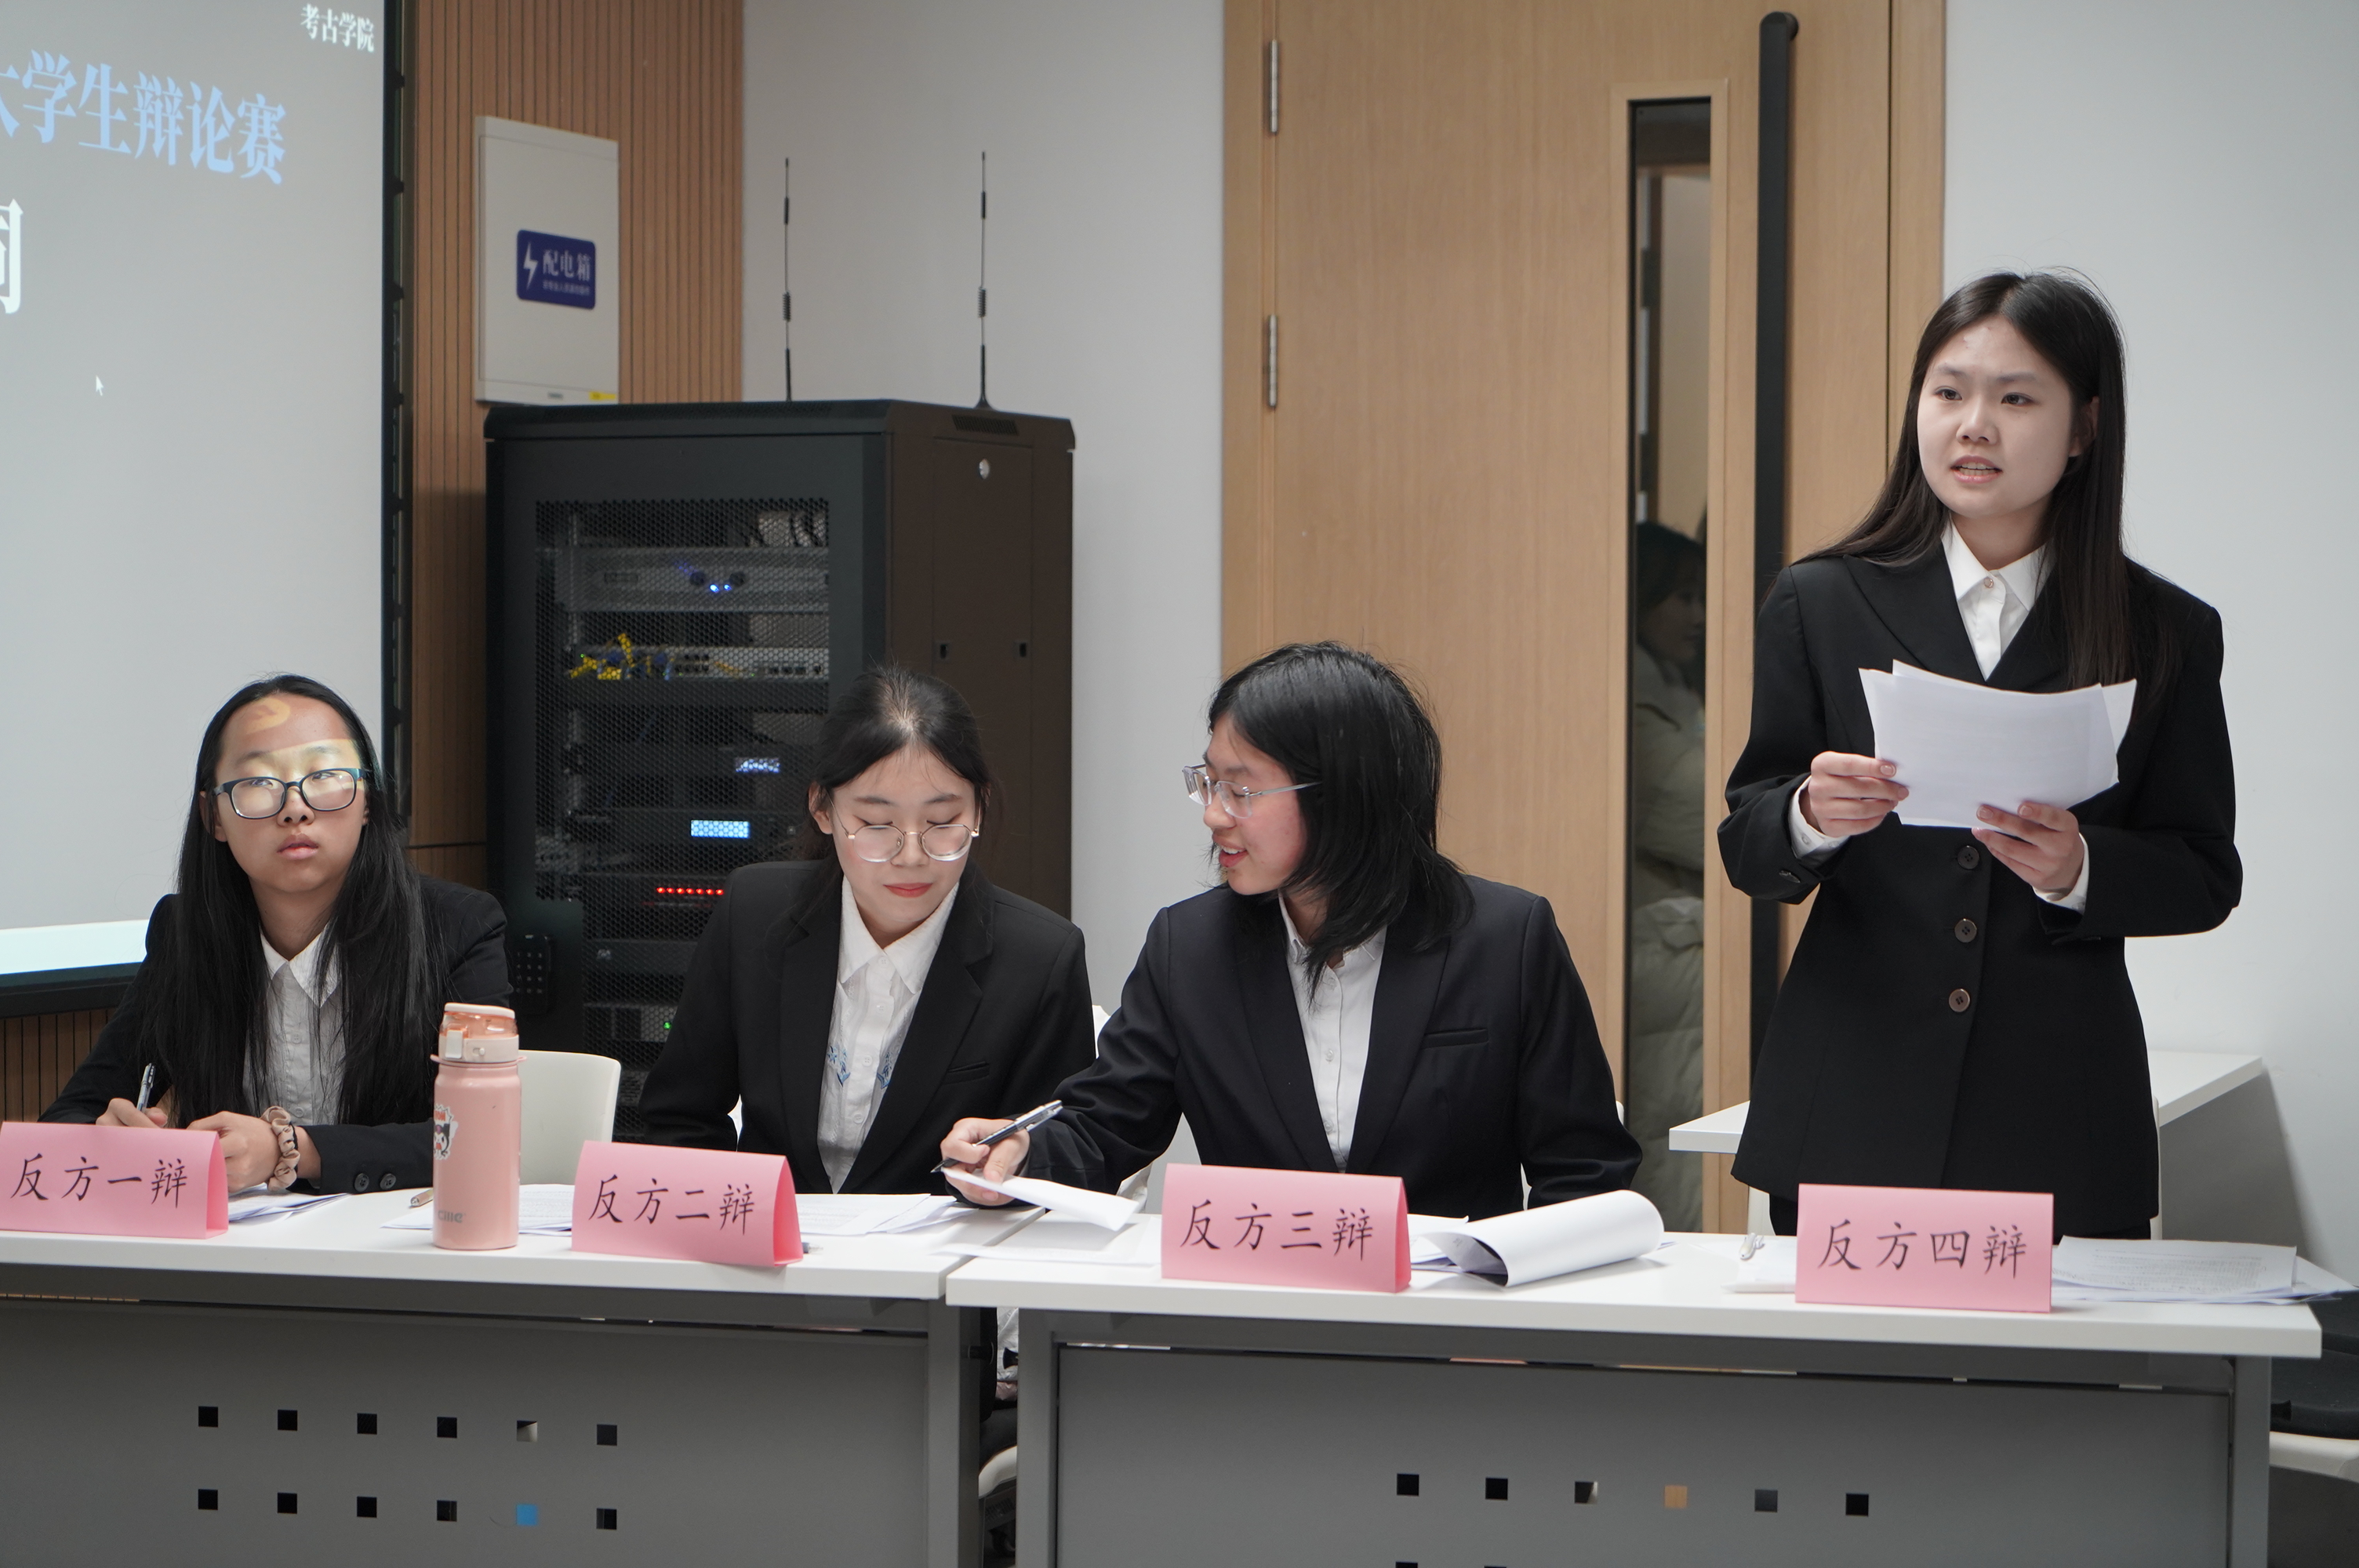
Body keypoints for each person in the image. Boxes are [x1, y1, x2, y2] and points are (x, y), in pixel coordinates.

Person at [1717, 271, 2238, 1239]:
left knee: (2054, 1350)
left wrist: (2080, 867)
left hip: (2055, 1115)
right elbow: (1746, 844)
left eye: (2015, 399)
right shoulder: (1819, 600)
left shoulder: (2163, 630)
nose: (1973, 426)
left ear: (2083, 429)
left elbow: (2203, 874)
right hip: (1853, 1104)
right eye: (1947, 392)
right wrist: (1806, 814)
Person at [941, 642, 1640, 1221]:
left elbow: (1585, 1173)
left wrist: (1520, 1315)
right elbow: (1107, 1127)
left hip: (1451, 1322)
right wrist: (1017, 1155)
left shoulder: (1505, 939)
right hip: (1259, 1320)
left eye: (1241, 790)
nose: (1213, 815)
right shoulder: (1190, 949)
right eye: (1208, 783)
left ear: (1344, 795)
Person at [638, 668, 1096, 1195]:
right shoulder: (754, 913)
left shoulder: (1040, 958)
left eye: (942, 823)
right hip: (767, 1237)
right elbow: (681, 1118)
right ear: (822, 808)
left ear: (979, 809)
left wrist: (1008, 1170)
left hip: (942, 1243)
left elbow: (1059, 1150)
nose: (911, 855)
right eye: (877, 824)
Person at [44, 677, 510, 1193]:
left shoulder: (457, 928)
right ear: (213, 817)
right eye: (260, 782)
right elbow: (68, 1117)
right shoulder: (185, 934)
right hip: (235, 1242)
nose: (295, 809)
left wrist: (291, 1150)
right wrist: (107, 1138)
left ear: (368, 801)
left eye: (325, 775)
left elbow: (483, 1135)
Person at [1625, 521, 1709, 1229]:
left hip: (1670, 962)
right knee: (1669, 1145)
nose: (1699, 616)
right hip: (1662, 965)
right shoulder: (1636, 707)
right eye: (1682, 596)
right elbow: (1712, 816)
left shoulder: (1675, 688)